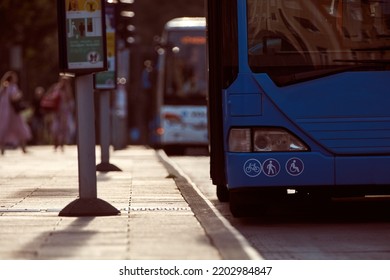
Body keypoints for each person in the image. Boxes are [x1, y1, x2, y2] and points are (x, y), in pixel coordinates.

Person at [0, 71, 32, 154]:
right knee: (20, 129)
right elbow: (13, 98)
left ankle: (2, 149)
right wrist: (19, 95)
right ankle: (23, 148)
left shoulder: (4, 87)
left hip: (4, 113)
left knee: (4, 130)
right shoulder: (13, 87)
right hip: (13, 113)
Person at [49, 77, 76, 151]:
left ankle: (61, 144)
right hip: (57, 110)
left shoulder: (67, 89)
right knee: (55, 128)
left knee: (63, 128)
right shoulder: (56, 87)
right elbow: (51, 96)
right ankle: (56, 144)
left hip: (64, 111)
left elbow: (70, 98)